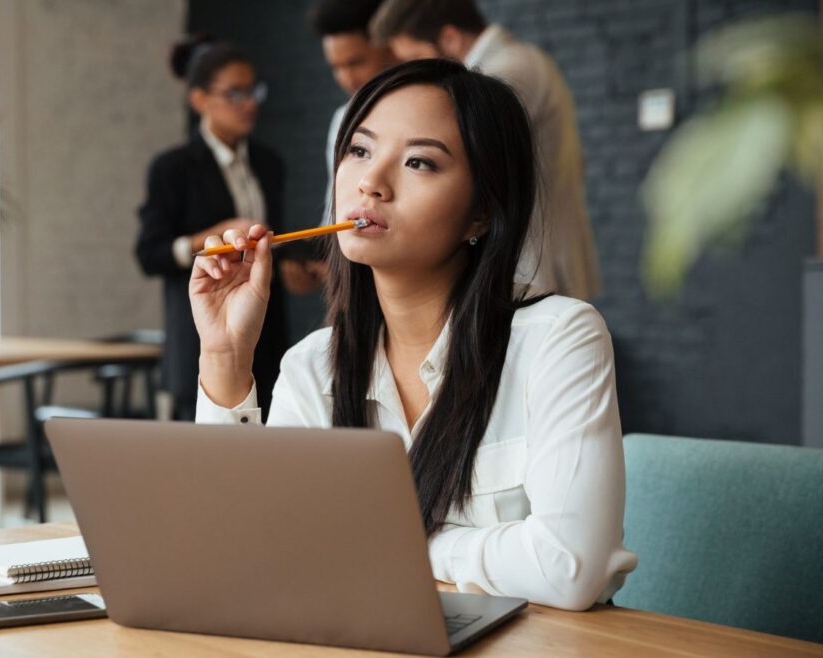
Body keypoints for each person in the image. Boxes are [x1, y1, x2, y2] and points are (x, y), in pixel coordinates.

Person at [189, 59, 636, 610]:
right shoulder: (312, 367)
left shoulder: (558, 340)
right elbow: (247, 552)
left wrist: (383, 545)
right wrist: (226, 357)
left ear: (481, 214)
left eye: (419, 162)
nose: (371, 183)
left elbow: (570, 567)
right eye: (359, 151)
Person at [370, 0, 601, 300]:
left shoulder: (506, 73)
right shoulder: (520, 62)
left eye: (416, 58)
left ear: (450, 38)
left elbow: (450, 143)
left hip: (533, 264)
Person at [135, 36, 287, 421]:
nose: (250, 102)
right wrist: (210, 237)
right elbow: (150, 254)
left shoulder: (269, 163)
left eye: (253, 90)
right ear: (199, 100)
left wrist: (291, 268)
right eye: (235, 93)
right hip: (200, 339)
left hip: (266, 337)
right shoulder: (172, 168)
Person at [280, 0, 400, 296]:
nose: (347, 77)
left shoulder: (432, 112)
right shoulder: (342, 120)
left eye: (356, 62)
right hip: (362, 291)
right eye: (336, 67)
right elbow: (336, 214)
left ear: (388, 47)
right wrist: (313, 258)